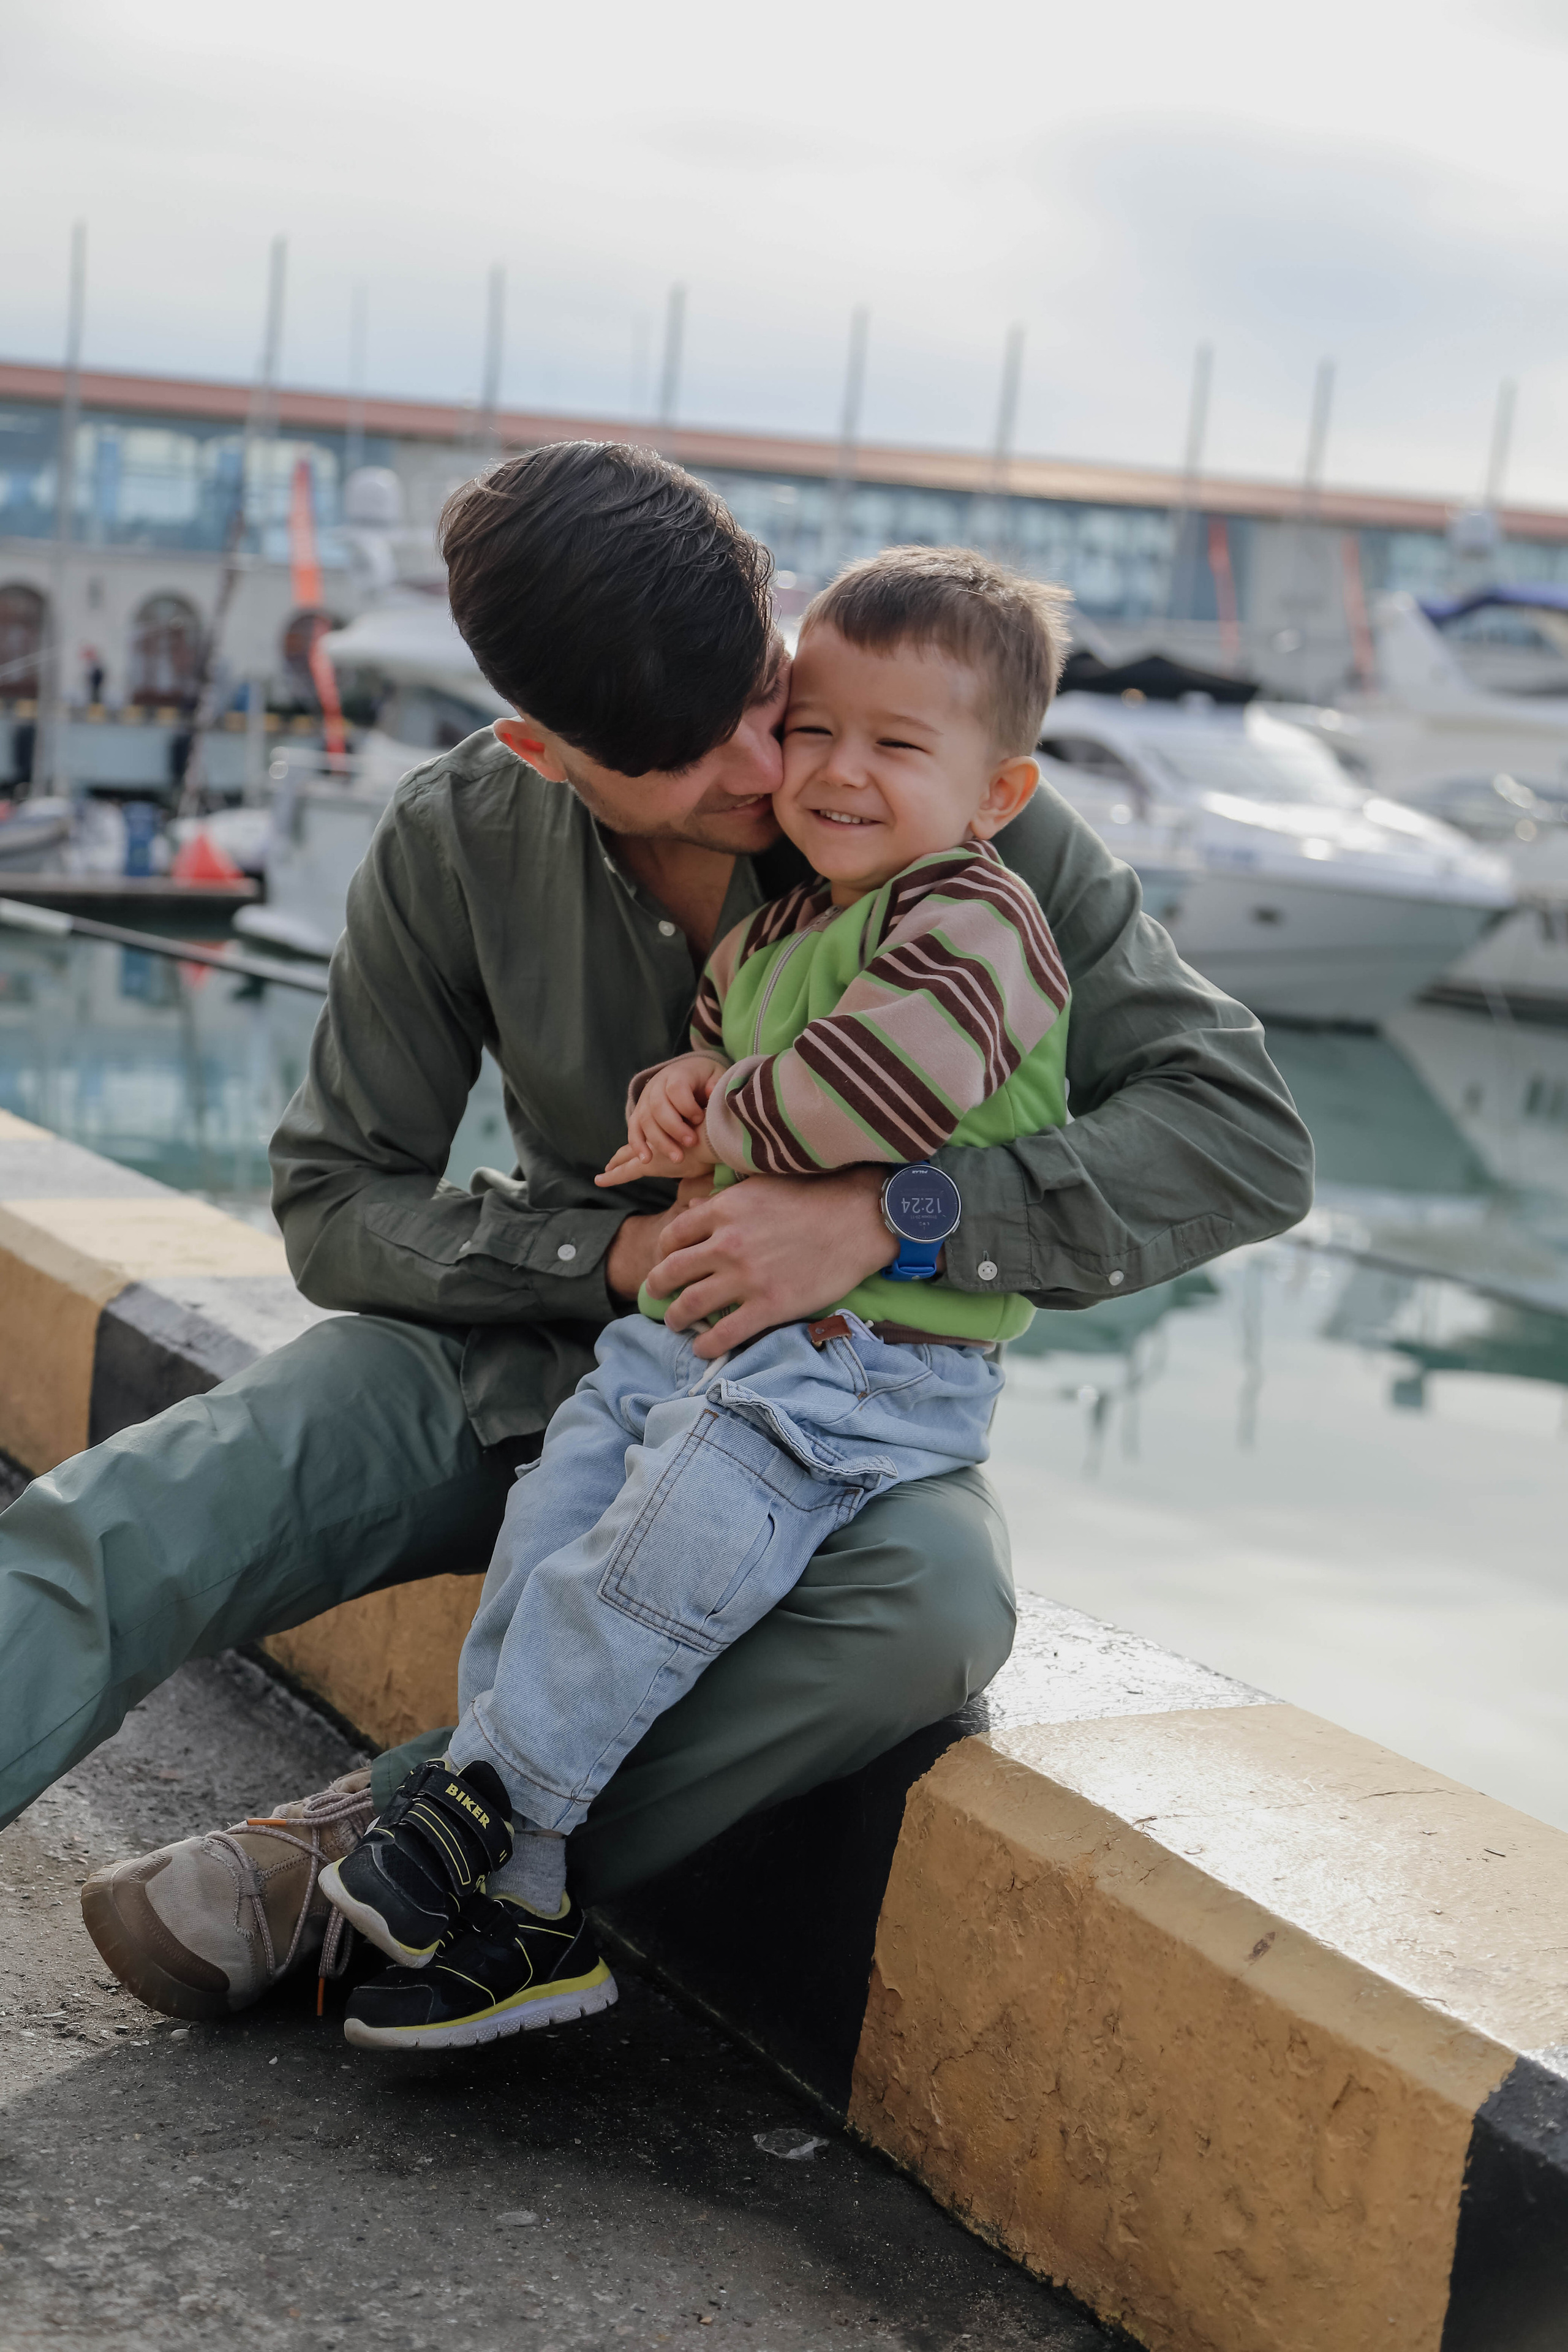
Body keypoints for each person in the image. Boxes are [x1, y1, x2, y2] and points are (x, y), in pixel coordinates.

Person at [12, 440, 1313, 2027]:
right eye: (701, 766)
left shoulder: (938, 785)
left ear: (768, 604)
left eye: (767, 697)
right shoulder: (457, 834)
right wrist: (606, 1257)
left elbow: (1241, 1139)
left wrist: (887, 1217)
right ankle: (437, 1839)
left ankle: (384, 1835)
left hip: (816, 1410)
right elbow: (339, 1200)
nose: (776, 773)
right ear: (543, 752)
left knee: (934, 1617)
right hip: (524, 1367)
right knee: (148, 1510)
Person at [319, 547, 1072, 2049]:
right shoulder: (779, 929)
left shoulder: (977, 924)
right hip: (703, 1332)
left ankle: (479, 1815)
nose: (830, 772)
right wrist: (674, 1093)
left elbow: (876, 1087)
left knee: (660, 1558)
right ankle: (524, 1912)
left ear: (993, 795)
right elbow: (717, 1045)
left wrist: (718, 1110)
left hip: (866, 1362)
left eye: (893, 747)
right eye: (815, 730)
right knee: (556, 1527)